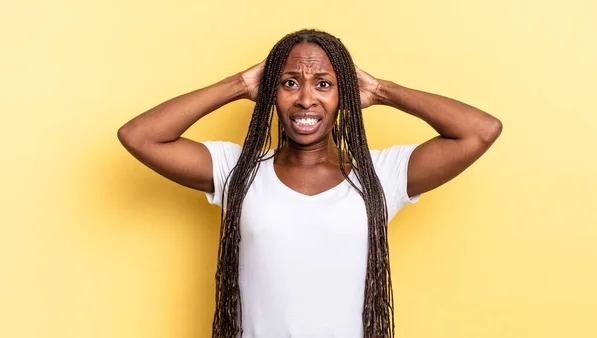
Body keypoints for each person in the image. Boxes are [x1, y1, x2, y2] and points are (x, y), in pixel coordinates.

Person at [117, 29, 502, 338]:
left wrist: (382, 90)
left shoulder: (381, 175)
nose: (305, 99)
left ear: (344, 95)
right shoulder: (239, 169)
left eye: (323, 84)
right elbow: (139, 136)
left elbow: (480, 131)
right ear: (271, 94)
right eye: (288, 83)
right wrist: (238, 84)